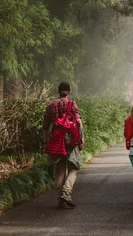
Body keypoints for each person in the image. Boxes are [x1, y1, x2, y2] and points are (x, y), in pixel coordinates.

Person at [43, 81, 85, 209]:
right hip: (71, 141)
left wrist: (46, 142)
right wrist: (82, 138)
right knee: (74, 167)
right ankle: (67, 192)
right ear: (69, 91)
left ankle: (60, 199)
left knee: (60, 170)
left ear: (58, 91)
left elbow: (45, 126)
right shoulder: (72, 104)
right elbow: (78, 121)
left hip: (56, 142)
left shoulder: (51, 106)